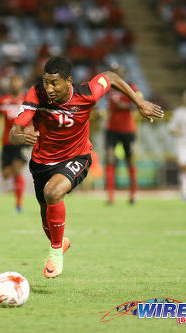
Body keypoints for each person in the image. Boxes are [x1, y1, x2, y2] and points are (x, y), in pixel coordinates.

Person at [9, 56, 163, 278]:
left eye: (54, 83)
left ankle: (54, 252)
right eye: (46, 82)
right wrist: (22, 137)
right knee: (46, 213)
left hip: (77, 157)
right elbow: (14, 133)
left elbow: (110, 77)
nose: (49, 89)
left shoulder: (86, 93)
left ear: (68, 81)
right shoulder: (36, 93)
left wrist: (140, 103)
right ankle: (59, 244)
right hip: (42, 162)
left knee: (52, 193)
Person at [0, 74, 29, 212]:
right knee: (6, 174)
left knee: (18, 170)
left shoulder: (27, 100)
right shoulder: (2, 101)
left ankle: (18, 205)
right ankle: (15, 180)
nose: (14, 84)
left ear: (21, 83)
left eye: (17, 80)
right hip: (6, 141)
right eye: (12, 81)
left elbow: (35, 119)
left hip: (21, 140)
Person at [104, 63, 140, 204]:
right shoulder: (108, 88)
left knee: (129, 160)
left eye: (118, 71)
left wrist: (123, 106)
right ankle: (111, 197)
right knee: (110, 159)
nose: (116, 74)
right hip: (112, 128)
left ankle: (132, 195)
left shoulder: (131, 86)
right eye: (114, 71)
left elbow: (137, 102)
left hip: (128, 129)